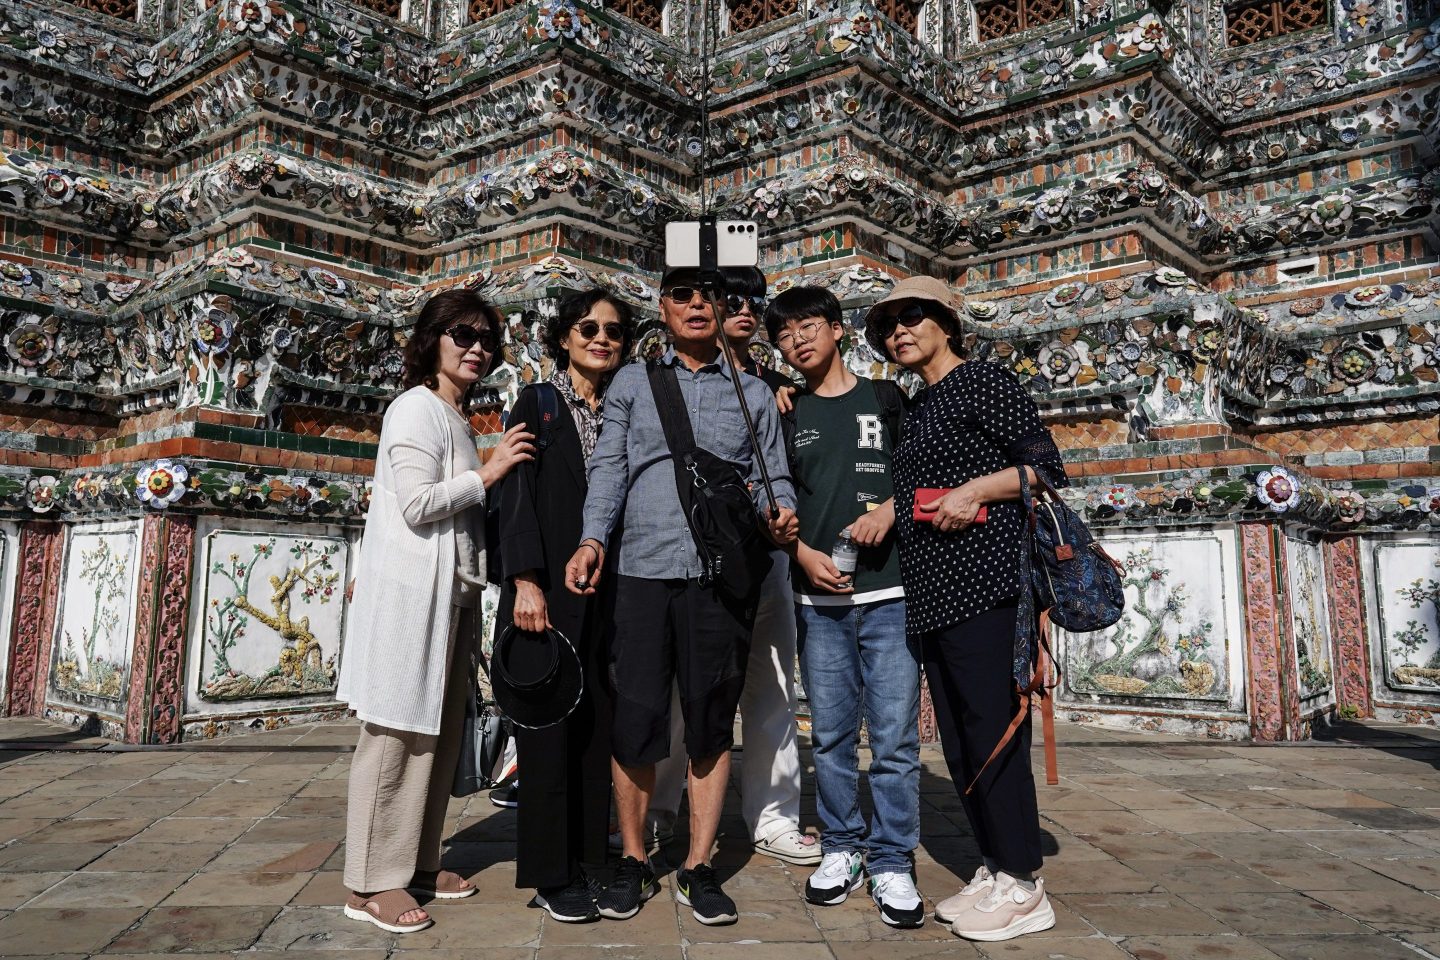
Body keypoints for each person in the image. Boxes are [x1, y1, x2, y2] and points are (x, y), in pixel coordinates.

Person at [565, 267, 799, 926]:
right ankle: (636, 858)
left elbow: (768, 475)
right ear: (663, 308)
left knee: (709, 722)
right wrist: (592, 540)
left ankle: (698, 865)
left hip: (718, 577)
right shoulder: (635, 383)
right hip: (639, 570)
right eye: (682, 296)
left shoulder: (752, 392)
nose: (698, 307)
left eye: (710, 298)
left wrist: (779, 513)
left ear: (726, 311)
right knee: (637, 719)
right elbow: (610, 465)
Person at [866, 275, 1066, 943]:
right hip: (932, 595)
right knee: (956, 736)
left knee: (994, 730)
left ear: (948, 323)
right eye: (889, 324)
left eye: (913, 316)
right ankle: (993, 864)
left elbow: (1045, 469)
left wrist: (972, 489)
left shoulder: (985, 382)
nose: (900, 329)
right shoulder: (918, 405)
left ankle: (1024, 882)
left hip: (986, 586)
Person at [337, 289, 534, 935]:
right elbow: (419, 503)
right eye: (461, 334)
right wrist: (492, 469)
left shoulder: (453, 414)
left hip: (448, 597)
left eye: (486, 339)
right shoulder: (415, 408)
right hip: (408, 598)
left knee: (437, 738)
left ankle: (416, 864)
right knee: (395, 735)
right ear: (432, 340)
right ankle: (368, 883)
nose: (476, 347)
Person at [643, 266, 819, 868]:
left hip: (761, 556)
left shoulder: (779, 388)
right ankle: (662, 809)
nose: (739, 309)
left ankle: (772, 816)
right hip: (683, 557)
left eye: (750, 301)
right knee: (673, 688)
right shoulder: (662, 378)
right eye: (728, 297)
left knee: (769, 686)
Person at [765, 285, 923, 926]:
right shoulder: (784, 410)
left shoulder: (886, 397)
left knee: (893, 740)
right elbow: (771, 499)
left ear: (837, 329)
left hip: (890, 594)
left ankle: (891, 861)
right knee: (828, 737)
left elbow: (924, 471)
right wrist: (801, 554)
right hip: (819, 598)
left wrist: (891, 507)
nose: (797, 340)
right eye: (783, 335)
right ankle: (841, 847)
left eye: (808, 326)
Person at [496, 289, 635, 922]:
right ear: (563, 338)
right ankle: (553, 872)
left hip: (608, 591)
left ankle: (592, 858)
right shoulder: (538, 402)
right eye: (587, 328)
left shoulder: (626, 407)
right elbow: (515, 494)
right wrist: (524, 580)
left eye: (612, 330)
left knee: (596, 724)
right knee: (548, 728)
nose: (601, 338)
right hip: (545, 593)